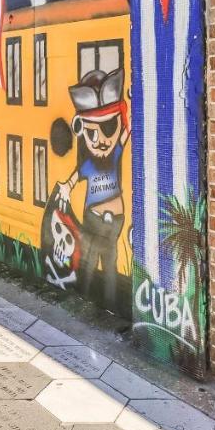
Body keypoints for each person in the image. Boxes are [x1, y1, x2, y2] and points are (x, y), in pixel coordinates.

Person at [54, 67, 130, 306]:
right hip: (94, 219)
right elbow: (73, 180)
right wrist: (65, 188)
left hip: (114, 221)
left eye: (108, 128)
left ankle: (106, 303)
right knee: (90, 260)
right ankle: (86, 298)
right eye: (92, 134)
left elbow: (127, 130)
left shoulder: (115, 152)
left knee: (109, 264)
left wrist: (131, 101)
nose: (102, 141)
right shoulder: (88, 164)